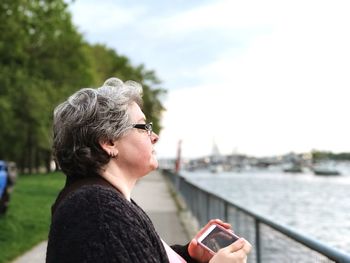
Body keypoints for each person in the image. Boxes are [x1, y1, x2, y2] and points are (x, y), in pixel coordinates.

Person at [46, 77, 251, 263]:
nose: (155, 137)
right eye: (144, 127)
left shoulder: (102, 201)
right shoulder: (98, 211)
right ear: (109, 142)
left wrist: (190, 254)